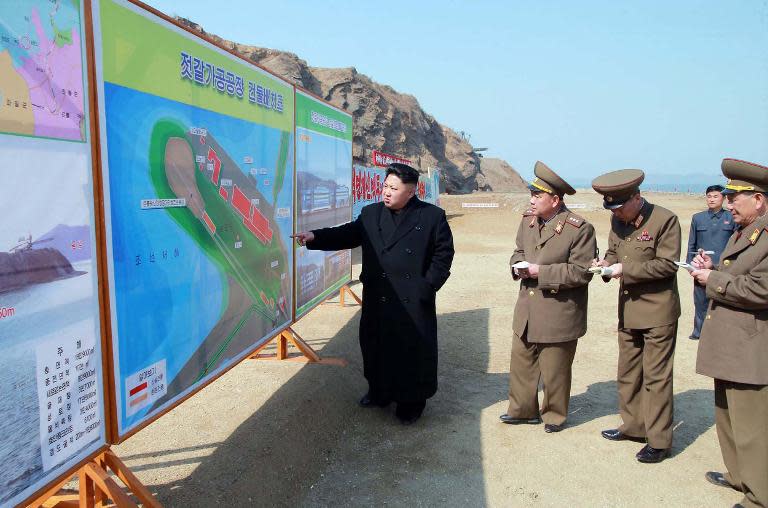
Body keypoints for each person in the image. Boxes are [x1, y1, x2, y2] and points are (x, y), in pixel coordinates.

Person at [293, 163, 454, 425]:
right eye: (385, 186)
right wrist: (314, 236)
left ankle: (410, 402)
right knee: (375, 346)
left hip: (412, 300)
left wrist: (426, 287)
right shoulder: (370, 214)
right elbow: (347, 234)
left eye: (394, 188)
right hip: (378, 296)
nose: (386, 192)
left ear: (411, 191)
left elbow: (443, 254)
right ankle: (378, 392)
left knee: (411, 351)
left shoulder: (431, 217)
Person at [689, 158, 768, 508]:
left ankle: (759, 496)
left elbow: (762, 289)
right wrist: (714, 268)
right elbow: (739, 273)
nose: (729, 203)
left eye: (736, 197)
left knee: (752, 428)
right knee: (728, 418)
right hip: (731, 345)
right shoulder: (745, 230)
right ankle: (739, 476)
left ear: (759, 199)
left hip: (750, 346)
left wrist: (714, 281)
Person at [591, 169, 681, 464]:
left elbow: (667, 265)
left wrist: (624, 271)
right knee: (628, 373)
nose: (617, 213)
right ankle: (633, 427)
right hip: (628, 310)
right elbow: (614, 253)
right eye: (612, 208)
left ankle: (659, 441)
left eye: (620, 207)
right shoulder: (617, 220)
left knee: (656, 378)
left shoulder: (664, 220)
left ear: (637, 198)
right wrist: (605, 263)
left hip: (657, 312)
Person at [499, 161, 596, 433]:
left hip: (558, 311)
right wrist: (517, 266)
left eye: (537, 196)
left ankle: (554, 416)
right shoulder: (528, 222)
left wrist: (539, 271)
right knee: (522, 363)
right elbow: (518, 251)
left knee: (555, 371)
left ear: (555, 200)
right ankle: (522, 410)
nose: (532, 200)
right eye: (532, 194)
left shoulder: (579, 229)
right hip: (528, 309)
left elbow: (580, 272)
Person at [685, 184, 735, 340]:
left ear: (724, 198)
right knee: (700, 300)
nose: (712, 199)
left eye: (715, 196)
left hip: (722, 268)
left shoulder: (731, 218)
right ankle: (699, 332)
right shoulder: (698, 218)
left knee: (722, 300)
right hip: (700, 266)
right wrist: (690, 265)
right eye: (709, 196)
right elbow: (691, 243)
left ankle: (720, 333)